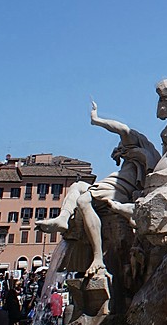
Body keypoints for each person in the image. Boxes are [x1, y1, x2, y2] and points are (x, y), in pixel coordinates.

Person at [37, 101, 160, 277]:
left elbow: (123, 129)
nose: (117, 149)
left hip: (121, 187)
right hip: (115, 185)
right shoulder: (132, 157)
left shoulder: (135, 145)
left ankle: (98, 259)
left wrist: (96, 119)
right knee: (77, 186)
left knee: (83, 200)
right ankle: (63, 218)